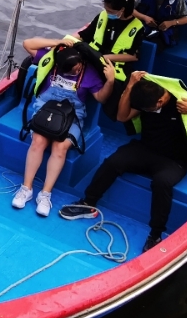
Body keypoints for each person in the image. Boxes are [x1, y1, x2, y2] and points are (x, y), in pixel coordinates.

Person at [60, 70, 187, 250]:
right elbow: (122, 117)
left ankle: (155, 234)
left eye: (149, 110)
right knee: (112, 162)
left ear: (161, 101)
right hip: (145, 148)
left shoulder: (185, 98)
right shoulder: (145, 97)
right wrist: (130, 86)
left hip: (174, 159)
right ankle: (88, 203)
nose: (147, 112)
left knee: (162, 183)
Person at [13, 38, 118, 217]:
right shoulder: (52, 59)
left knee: (60, 147)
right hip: (46, 108)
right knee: (38, 141)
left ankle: (45, 194)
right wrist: (59, 42)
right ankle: (26, 188)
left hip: (73, 115)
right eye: (72, 70)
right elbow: (28, 43)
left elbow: (101, 98)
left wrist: (110, 81)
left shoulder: (89, 72)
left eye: (78, 68)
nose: (76, 70)